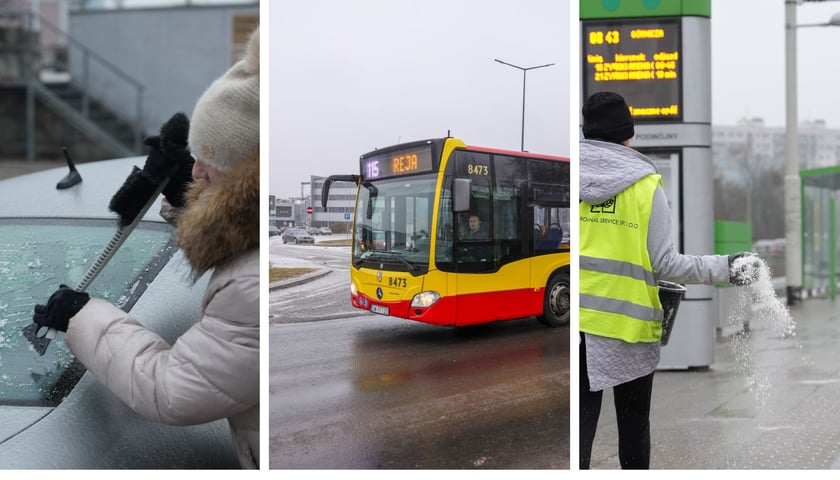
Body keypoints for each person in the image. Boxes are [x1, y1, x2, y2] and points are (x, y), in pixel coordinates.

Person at [32, 27, 260, 468]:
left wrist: (83, 315)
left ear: (241, 173)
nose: (195, 169)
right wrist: (182, 198)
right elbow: (231, 235)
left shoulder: (247, 285)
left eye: (206, 159)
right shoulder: (248, 247)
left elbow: (172, 390)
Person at [578, 91, 761, 469]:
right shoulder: (645, 186)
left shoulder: (570, 181)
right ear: (627, 134)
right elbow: (666, 263)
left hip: (577, 330)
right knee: (632, 430)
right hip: (627, 332)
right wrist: (727, 267)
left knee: (580, 438)